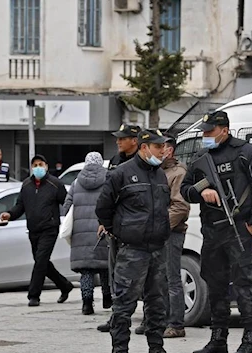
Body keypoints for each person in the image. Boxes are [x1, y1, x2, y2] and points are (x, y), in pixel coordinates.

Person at [180, 111, 252, 353]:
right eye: (203, 131)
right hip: (212, 232)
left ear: (224, 129)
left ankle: (249, 341)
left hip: (238, 230)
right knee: (215, 285)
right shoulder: (202, 156)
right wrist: (202, 190)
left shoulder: (246, 153)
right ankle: (218, 339)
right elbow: (184, 188)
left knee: (245, 286)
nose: (205, 135)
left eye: (209, 131)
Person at [96, 129, 171, 353]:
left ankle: (156, 348)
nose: (163, 151)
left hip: (157, 249)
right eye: (158, 147)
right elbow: (103, 207)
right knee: (124, 305)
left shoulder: (160, 174)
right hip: (132, 251)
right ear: (144, 147)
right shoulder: (121, 173)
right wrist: (116, 231)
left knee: (157, 304)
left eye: (164, 147)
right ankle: (120, 349)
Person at [135, 134, 190, 338]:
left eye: (162, 147)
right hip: (153, 233)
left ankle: (176, 323)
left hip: (171, 232)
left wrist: (159, 225)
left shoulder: (178, 172)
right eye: (156, 146)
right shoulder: (155, 171)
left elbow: (180, 206)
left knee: (172, 278)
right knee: (153, 278)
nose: (158, 150)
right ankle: (153, 319)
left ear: (170, 150)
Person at [0, 154, 74, 307]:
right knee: (42, 262)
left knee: (40, 261)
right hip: (33, 230)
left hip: (50, 228)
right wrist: (10, 214)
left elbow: (67, 203)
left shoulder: (55, 184)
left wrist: (70, 221)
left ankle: (34, 295)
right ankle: (65, 285)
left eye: (41, 164)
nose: (38, 168)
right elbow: (20, 205)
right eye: (35, 165)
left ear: (46, 166)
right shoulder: (26, 185)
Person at [97, 123, 142, 333]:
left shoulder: (142, 161)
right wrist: (103, 222)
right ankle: (118, 316)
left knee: (142, 276)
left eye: (122, 138)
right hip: (115, 228)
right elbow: (107, 194)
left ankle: (148, 318)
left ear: (134, 140)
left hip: (135, 228)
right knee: (116, 274)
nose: (117, 141)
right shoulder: (115, 161)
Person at [62, 152, 112, 315]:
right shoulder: (108, 180)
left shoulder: (76, 182)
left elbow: (67, 206)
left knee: (86, 271)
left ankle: (87, 303)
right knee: (105, 267)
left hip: (81, 234)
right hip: (102, 230)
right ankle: (107, 298)